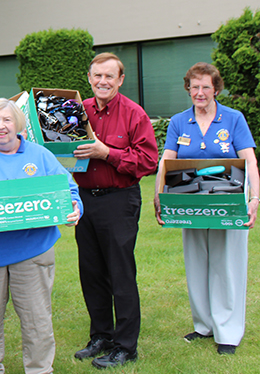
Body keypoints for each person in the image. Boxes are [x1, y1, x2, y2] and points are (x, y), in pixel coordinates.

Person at [0, 98, 81, 374]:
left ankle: (39, 369)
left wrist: (75, 207)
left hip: (33, 251)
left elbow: (68, 189)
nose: (1, 126)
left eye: (6, 120)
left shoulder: (40, 155)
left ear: (17, 124)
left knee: (37, 319)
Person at [154, 62, 260, 355]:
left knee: (228, 265)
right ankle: (204, 325)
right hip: (192, 203)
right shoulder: (179, 121)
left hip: (229, 203)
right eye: (194, 86)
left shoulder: (233, 119)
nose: (199, 92)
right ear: (188, 88)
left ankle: (228, 332)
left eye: (205, 87)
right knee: (197, 263)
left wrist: (254, 200)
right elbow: (167, 160)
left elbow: (249, 161)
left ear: (216, 89)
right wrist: (158, 194)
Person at [71, 52, 158, 369]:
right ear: (90, 78)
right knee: (91, 271)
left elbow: (148, 161)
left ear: (120, 80)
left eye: (109, 76)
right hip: (84, 199)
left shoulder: (134, 114)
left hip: (119, 199)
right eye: (97, 75)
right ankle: (101, 337)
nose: (102, 81)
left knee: (120, 272)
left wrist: (106, 153)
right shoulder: (78, 112)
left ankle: (125, 346)